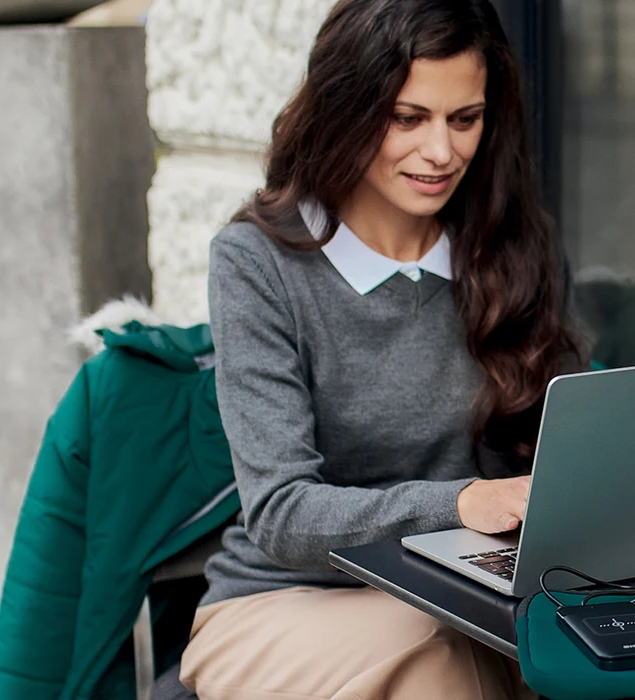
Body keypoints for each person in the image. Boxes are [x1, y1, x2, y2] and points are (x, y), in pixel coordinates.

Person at [177, 1, 576, 698]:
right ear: (346, 108)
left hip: (465, 596)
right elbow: (280, 512)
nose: (441, 152)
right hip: (284, 601)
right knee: (438, 658)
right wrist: (462, 504)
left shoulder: (514, 251)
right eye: (406, 118)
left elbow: (563, 454)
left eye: (464, 119)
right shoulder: (257, 262)